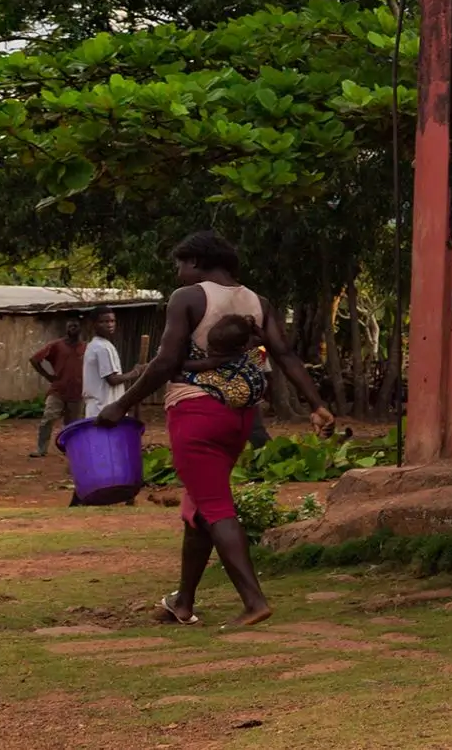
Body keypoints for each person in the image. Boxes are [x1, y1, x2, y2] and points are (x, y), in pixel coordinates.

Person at [95, 230, 336, 628]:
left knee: (214, 507)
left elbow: (164, 361)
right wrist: (318, 404)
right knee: (199, 506)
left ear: (195, 261)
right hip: (239, 418)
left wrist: (119, 405)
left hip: (196, 414)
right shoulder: (258, 302)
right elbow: (286, 355)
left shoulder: (188, 298)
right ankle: (183, 601)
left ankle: (254, 601)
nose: (177, 273)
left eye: (179, 265)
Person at [182, 316, 270, 409]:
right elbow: (263, 338)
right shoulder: (246, 347)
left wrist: (180, 366)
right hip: (258, 385)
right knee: (254, 355)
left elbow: (200, 364)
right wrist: (252, 325)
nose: (210, 349)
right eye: (210, 344)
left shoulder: (219, 359)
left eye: (215, 349)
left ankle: (186, 377)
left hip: (239, 393)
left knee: (200, 375)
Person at [29, 319, 87, 458]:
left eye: (76, 326)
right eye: (70, 326)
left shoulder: (86, 348)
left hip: (78, 391)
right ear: (66, 329)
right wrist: (48, 376)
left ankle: (70, 449)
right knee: (48, 418)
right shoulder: (57, 345)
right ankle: (41, 449)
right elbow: (34, 359)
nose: (73, 328)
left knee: (73, 424)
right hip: (58, 390)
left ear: (81, 329)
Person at [81, 310, 126, 418]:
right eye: (104, 322)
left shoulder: (97, 345)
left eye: (112, 321)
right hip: (104, 408)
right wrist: (136, 372)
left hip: (100, 407)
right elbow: (112, 380)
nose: (109, 325)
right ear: (93, 324)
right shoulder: (102, 347)